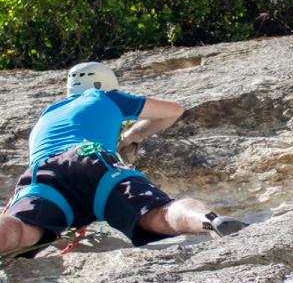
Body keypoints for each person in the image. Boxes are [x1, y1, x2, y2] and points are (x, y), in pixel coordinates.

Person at [0, 61, 247, 256]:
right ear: (104, 84)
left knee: (21, 228)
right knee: (160, 213)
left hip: (43, 177)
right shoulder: (103, 97)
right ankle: (210, 221)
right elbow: (173, 111)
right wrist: (132, 135)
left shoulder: (47, 115)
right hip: (93, 160)